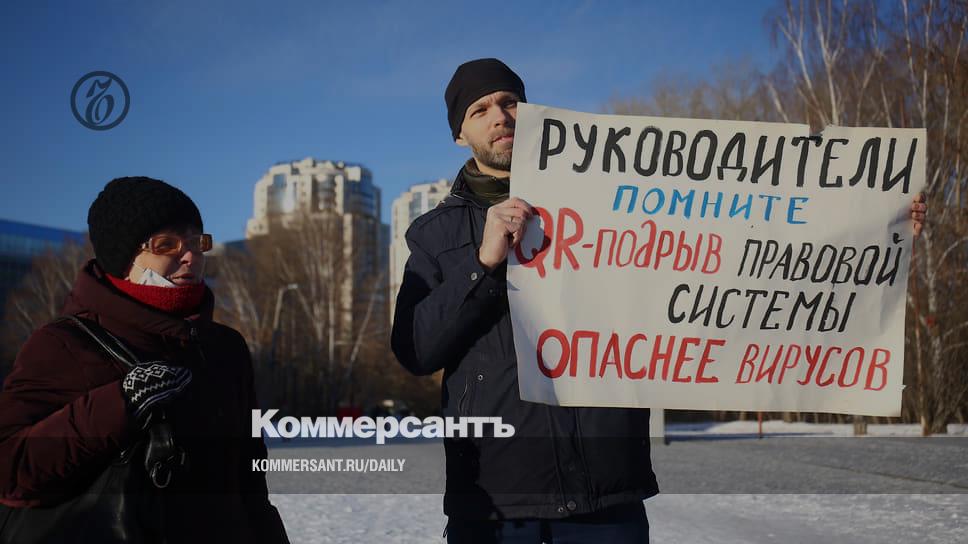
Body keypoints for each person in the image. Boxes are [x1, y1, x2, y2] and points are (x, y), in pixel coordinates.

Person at [391, 58, 929, 543]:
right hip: (495, 498)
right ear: (460, 133)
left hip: (607, 490)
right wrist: (482, 263)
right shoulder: (433, 235)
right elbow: (416, 349)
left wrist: (872, 223)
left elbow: (735, 248)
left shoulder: (609, 193)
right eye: (480, 110)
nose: (499, 117)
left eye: (509, 102)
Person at [0, 177, 290, 543]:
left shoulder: (225, 347)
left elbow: (250, 483)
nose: (190, 256)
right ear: (123, 258)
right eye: (167, 244)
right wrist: (119, 404)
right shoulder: (64, 344)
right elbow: (10, 469)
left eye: (197, 242)